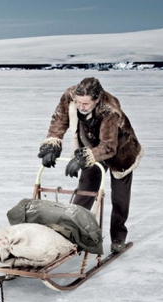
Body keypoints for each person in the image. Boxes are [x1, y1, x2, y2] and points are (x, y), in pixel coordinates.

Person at [37, 77, 144, 253]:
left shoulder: (110, 110)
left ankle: (118, 237)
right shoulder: (70, 96)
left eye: (86, 104)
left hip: (121, 152)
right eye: (79, 102)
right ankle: (72, 230)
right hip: (93, 145)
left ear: (97, 99)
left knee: (120, 199)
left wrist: (82, 159)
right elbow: (59, 120)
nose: (81, 106)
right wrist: (52, 144)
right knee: (85, 190)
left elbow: (109, 147)